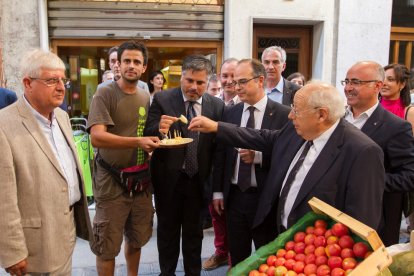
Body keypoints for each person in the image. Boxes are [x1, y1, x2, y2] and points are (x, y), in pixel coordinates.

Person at [189, 81, 385, 233]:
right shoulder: (297, 130)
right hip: (282, 236)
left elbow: (360, 224)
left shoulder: (362, 151)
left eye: (297, 110)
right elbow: (262, 137)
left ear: (321, 115)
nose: (290, 116)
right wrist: (217, 127)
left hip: (318, 254)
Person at [0, 49, 93, 275]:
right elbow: (3, 197)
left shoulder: (61, 116)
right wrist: (12, 251)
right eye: (52, 80)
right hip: (34, 246)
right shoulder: (4, 125)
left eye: (63, 80)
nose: (61, 87)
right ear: (28, 83)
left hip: (65, 231)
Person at [144, 55, 224, 276]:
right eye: (189, 81)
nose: (193, 87)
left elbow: (219, 150)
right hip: (168, 180)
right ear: (181, 78)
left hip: (198, 181)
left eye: (200, 83)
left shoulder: (216, 106)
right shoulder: (162, 99)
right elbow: (147, 134)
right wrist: (158, 128)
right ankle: (166, 273)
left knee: (194, 236)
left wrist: (216, 188)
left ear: (208, 82)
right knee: (167, 234)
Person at [87, 41, 160, 276]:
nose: (131, 65)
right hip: (111, 182)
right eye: (126, 60)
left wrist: (160, 132)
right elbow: (97, 137)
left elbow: (146, 132)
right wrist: (138, 142)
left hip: (140, 181)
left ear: (144, 67)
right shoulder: (105, 92)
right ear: (118, 64)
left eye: (136, 62)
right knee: (106, 247)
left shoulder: (144, 96)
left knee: (136, 239)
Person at [211, 59, 291, 267]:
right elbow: (221, 154)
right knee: (238, 257)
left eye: (242, 82)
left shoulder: (283, 114)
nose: (236, 88)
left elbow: (289, 154)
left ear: (260, 80)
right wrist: (218, 191)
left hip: (266, 198)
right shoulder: (230, 112)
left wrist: (259, 157)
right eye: (235, 82)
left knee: (268, 256)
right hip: (235, 196)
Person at [343, 61, 414, 246]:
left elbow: (408, 176)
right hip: (335, 217)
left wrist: (370, 183)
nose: (349, 88)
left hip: (373, 222)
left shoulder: (396, 127)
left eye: (356, 82)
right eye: (347, 81)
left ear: (377, 86)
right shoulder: (337, 119)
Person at [201, 58, 239, 271]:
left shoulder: (245, 105)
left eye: (234, 76)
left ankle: (235, 258)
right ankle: (221, 252)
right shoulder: (212, 104)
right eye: (225, 76)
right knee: (216, 217)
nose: (229, 81)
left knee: (234, 220)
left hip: (235, 172)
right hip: (212, 172)